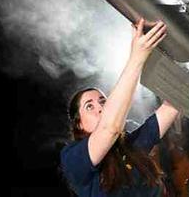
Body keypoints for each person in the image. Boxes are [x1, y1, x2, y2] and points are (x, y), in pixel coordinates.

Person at [60, 19, 180, 196]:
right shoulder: (73, 158)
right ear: (79, 124)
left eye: (103, 101)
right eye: (89, 106)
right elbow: (110, 128)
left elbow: (173, 105)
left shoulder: (131, 146)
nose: (100, 108)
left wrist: (179, 49)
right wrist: (137, 57)